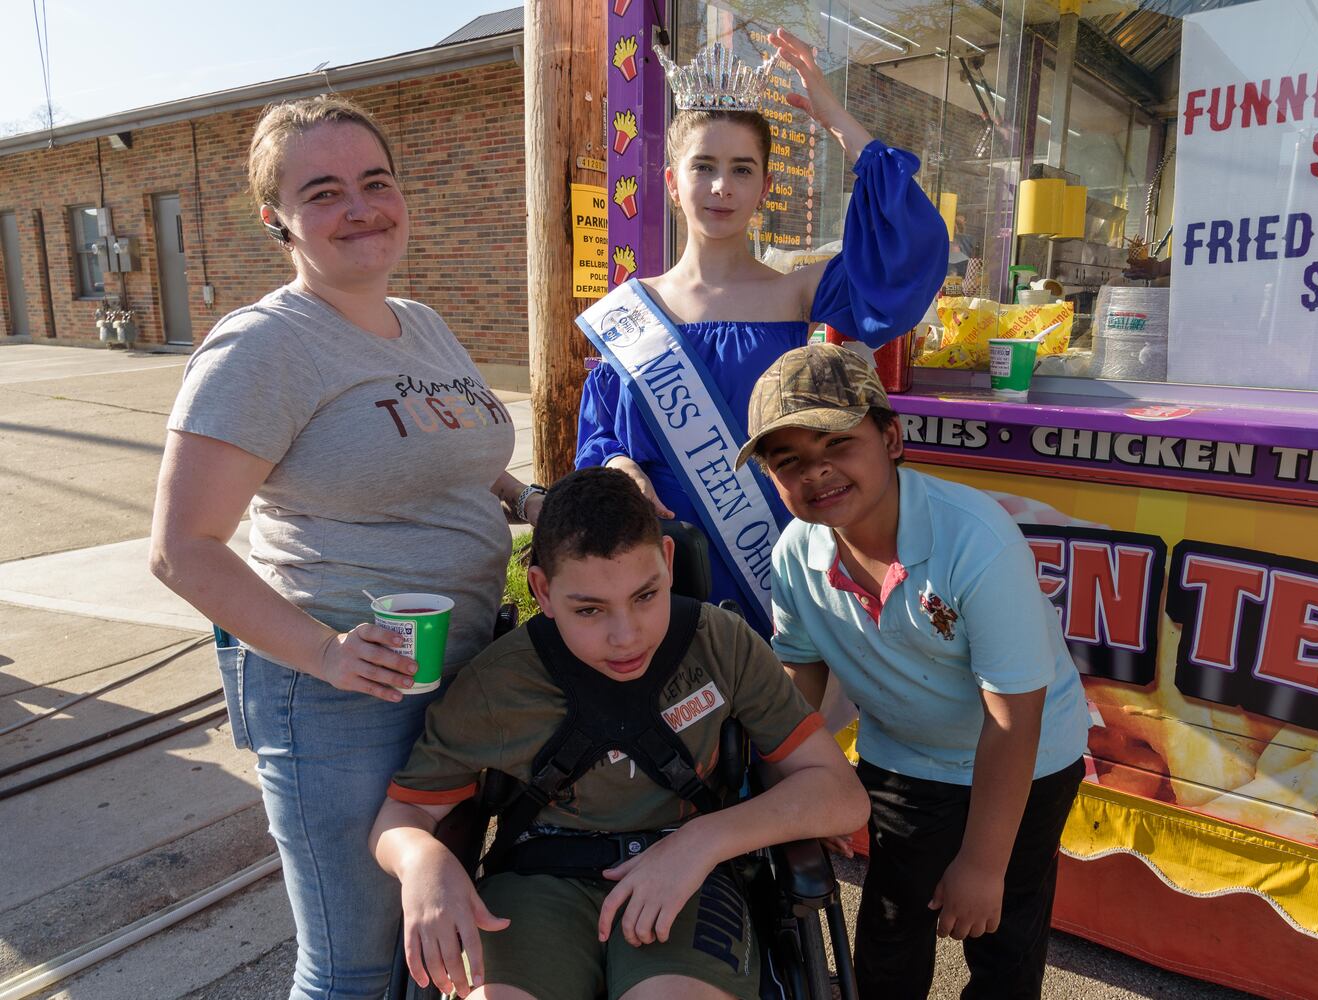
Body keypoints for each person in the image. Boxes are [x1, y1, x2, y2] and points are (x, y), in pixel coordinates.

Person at [149, 95, 541, 1000]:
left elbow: (444, 457)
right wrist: (324, 653)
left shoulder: (423, 322)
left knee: (430, 951)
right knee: (355, 966)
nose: (361, 206)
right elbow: (182, 549)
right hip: (340, 694)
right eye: (323, 192)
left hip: (464, 670)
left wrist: (529, 500)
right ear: (275, 221)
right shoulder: (263, 349)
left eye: (376, 181)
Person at [371, 467, 869, 999]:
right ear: (541, 590)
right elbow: (404, 813)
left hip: (690, 875)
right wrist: (423, 861)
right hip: (540, 879)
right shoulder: (498, 683)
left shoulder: (721, 645)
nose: (626, 635)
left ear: (669, 565)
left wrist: (705, 840)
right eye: (589, 609)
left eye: (645, 595)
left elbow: (839, 795)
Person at [737, 344, 1091, 1000]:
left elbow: (1015, 718)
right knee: (891, 932)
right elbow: (798, 682)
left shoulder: (975, 539)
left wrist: (983, 864)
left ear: (890, 437)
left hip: (1028, 758)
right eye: (789, 462)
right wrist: (800, 795)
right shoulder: (795, 554)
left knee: (1002, 928)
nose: (817, 474)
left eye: (838, 445)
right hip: (903, 761)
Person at [575, 28, 948, 636]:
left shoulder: (798, 291)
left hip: (778, 552)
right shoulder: (630, 311)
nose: (722, 186)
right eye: (704, 167)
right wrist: (618, 466)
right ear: (673, 183)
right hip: (666, 567)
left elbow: (912, 250)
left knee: (778, 716)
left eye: (742, 169)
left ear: (764, 188)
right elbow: (599, 439)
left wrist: (829, 114)